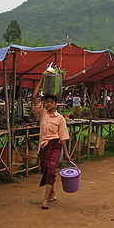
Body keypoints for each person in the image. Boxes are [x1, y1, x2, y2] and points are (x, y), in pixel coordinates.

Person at [32, 80, 71, 209]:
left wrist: (66, 153)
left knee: (51, 171)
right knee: (45, 170)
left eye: (51, 102)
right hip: (44, 146)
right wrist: (42, 81)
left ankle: (45, 200)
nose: (48, 104)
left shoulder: (60, 118)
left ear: (56, 104)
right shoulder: (42, 113)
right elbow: (34, 96)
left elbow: (63, 137)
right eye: (47, 102)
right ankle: (52, 191)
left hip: (55, 146)